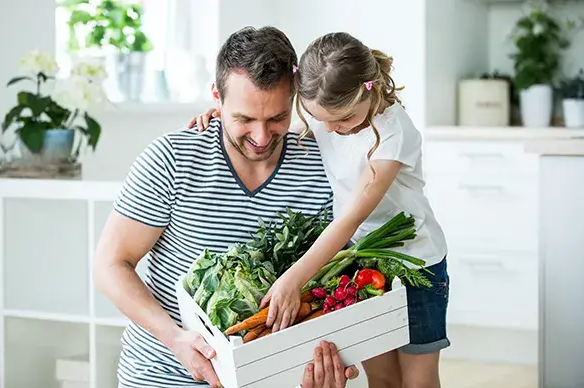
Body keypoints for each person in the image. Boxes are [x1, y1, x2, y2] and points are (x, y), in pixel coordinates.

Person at [93, 26, 359, 388]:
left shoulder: (324, 167)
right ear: (216, 98)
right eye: (244, 119)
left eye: (277, 118)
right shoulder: (172, 159)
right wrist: (176, 339)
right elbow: (110, 264)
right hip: (166, 376)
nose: (262, 137)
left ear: (296, 99)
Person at [187, 32, 450, 388]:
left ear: (366, 92)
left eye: (341, 121)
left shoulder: (393, 133)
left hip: (416, 264)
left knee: (418, 380)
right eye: (317, 118)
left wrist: (293, 278)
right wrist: (230, 113)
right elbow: (272, 124)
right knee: (384, 378)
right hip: (367, 263)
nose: (328, 130)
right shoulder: (329, 114)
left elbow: (351, 218)